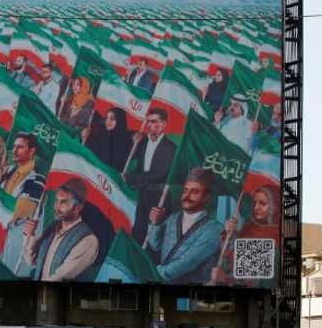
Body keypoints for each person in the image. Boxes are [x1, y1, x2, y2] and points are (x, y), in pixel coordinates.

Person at [146, 168, 224, 284]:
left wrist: (155, 274)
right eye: (185, 190)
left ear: (206, 198)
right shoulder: (173, 218)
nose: (186, 196)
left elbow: (190, 261)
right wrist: (156, 223)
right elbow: (155, 245)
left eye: (194, 192)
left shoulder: (214, 229)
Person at [23, 179, 99, 282]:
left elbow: (60, 277)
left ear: (78, 208)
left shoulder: (88, 240)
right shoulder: (53, 227)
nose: (56, 207)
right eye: (56, 201)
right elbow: (31, 260)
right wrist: (30, 235)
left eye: (63, 203)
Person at [125, 108, 178, 245]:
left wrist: (131, 178)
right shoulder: (142, 142)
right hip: (143, 194)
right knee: (138, 231)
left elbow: (158, 173)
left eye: (154, 121)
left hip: (159, 196)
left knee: (154, 238)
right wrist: (134, 143)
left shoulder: (170, 147)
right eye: (148, 121)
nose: (149, 125)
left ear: (164, 124)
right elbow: (132, 161)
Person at [212, 186, 279, 286]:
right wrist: (230, 233)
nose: (256, 208)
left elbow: (254, 279)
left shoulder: (276, 236)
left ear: (275, 206)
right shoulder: (248, 227)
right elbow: (230, 258)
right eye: (255, 203)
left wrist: (225, 278)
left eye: (262, 203)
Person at [86, 107, 133, 174]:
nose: (108, 121)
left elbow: (119, 166)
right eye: (107, 118)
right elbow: (89, 152)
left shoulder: (126, 142)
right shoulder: (99, 134)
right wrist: (85, 136)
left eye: (112, 119)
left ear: (120, 121)